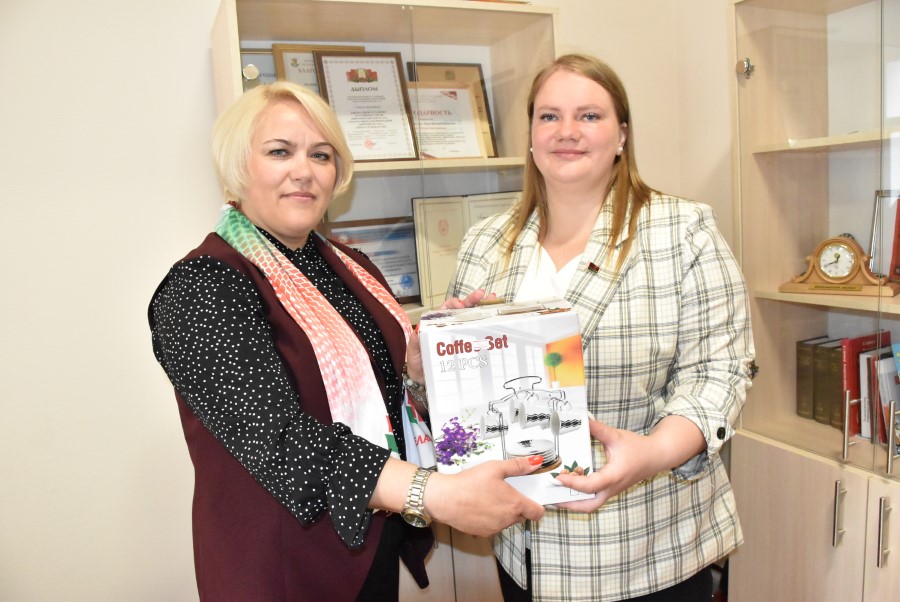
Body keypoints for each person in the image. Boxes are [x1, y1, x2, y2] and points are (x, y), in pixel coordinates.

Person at [148, 80, 544, 601]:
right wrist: (432, 494)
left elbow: (382, 392)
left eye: (321, 154)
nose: (304, 171)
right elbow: (281, 440)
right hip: (282, 568)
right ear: (238, 167)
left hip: (366, 547)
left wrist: (428, 364)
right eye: (279, 152)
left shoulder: (347, 265)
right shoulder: (204, 286)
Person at [445, 54, 755, 601]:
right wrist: (434, 363)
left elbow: (720, 372)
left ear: (622, 135)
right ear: (531, 136)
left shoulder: (683, 231)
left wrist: (653, 453)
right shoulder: (485, 243)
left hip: (647, 548)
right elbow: (462, 400)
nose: (567, 131)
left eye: (589, 115)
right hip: (525, 546)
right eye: (549, 116)